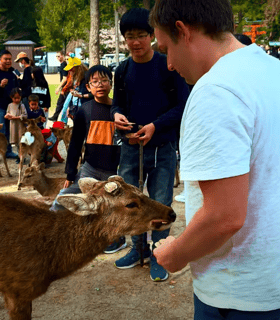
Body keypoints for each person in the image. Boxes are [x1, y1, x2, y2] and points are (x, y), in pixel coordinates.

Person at [150, 0, 280, 318]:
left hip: (238, 289)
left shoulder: (216, 92)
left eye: (165, 48)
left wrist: (175, 254)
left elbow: (224, 217)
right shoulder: (274, 70)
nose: (169, 64)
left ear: (183, 31)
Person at [110, 8, 189, 282]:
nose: (136, 42)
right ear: (124, 39)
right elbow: (117, 103)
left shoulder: (167, 66)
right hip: (131, 148)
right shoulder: (122, 70)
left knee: (160, 202)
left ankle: (159, 255)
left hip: (163, 148)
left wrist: (155, 125)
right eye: (130, 37)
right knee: (129, 202)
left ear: (152, 35)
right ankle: (137, 249)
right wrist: (116, 115)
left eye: (141, 35)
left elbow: (182, 106)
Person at [50, 65, 120, 216]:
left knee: (112, 210)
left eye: (104, 80)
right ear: (88, 87)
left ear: (111, 84)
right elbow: (75, 143)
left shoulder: (119, 110)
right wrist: (70, 173)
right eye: (94, 81)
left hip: (114, 172)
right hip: (90, 169)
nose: (100, 84)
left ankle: (117, 240)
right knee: (62, 199)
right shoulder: (85, 110)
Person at [60, 56, 91, 124]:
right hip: (76, 101)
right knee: (65, 107)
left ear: (77, 67)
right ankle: (63, 123)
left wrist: (80, 95)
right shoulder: (75, 76)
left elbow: (89, 93)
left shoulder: (86, 76)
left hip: (83, 103)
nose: (70, 71)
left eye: (71, 69)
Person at [5, 87, 27, 164]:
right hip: (13, 126)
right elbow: (7, 113)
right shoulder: (10, 105)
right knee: (17, 142)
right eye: (15, 98)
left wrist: (15, 117)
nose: (17, 100)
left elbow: (25, 115)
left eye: (18, 98)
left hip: (20, 126)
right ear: (11, 97)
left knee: (21, 141)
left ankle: (22, 157)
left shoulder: (22, 105)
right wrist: (7, 116)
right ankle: (19, 155)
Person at [48, 51, 69, 121]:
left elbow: (65, 78)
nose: (58, 58)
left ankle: (56, 117)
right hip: (65, 87)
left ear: (63, 56)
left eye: (59, 56)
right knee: (61, 103)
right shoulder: (63, 64)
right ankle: (55, 117)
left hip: (66, 87)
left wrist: (58, 88)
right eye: (56, 56)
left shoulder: (64, 64)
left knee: (62, 103)